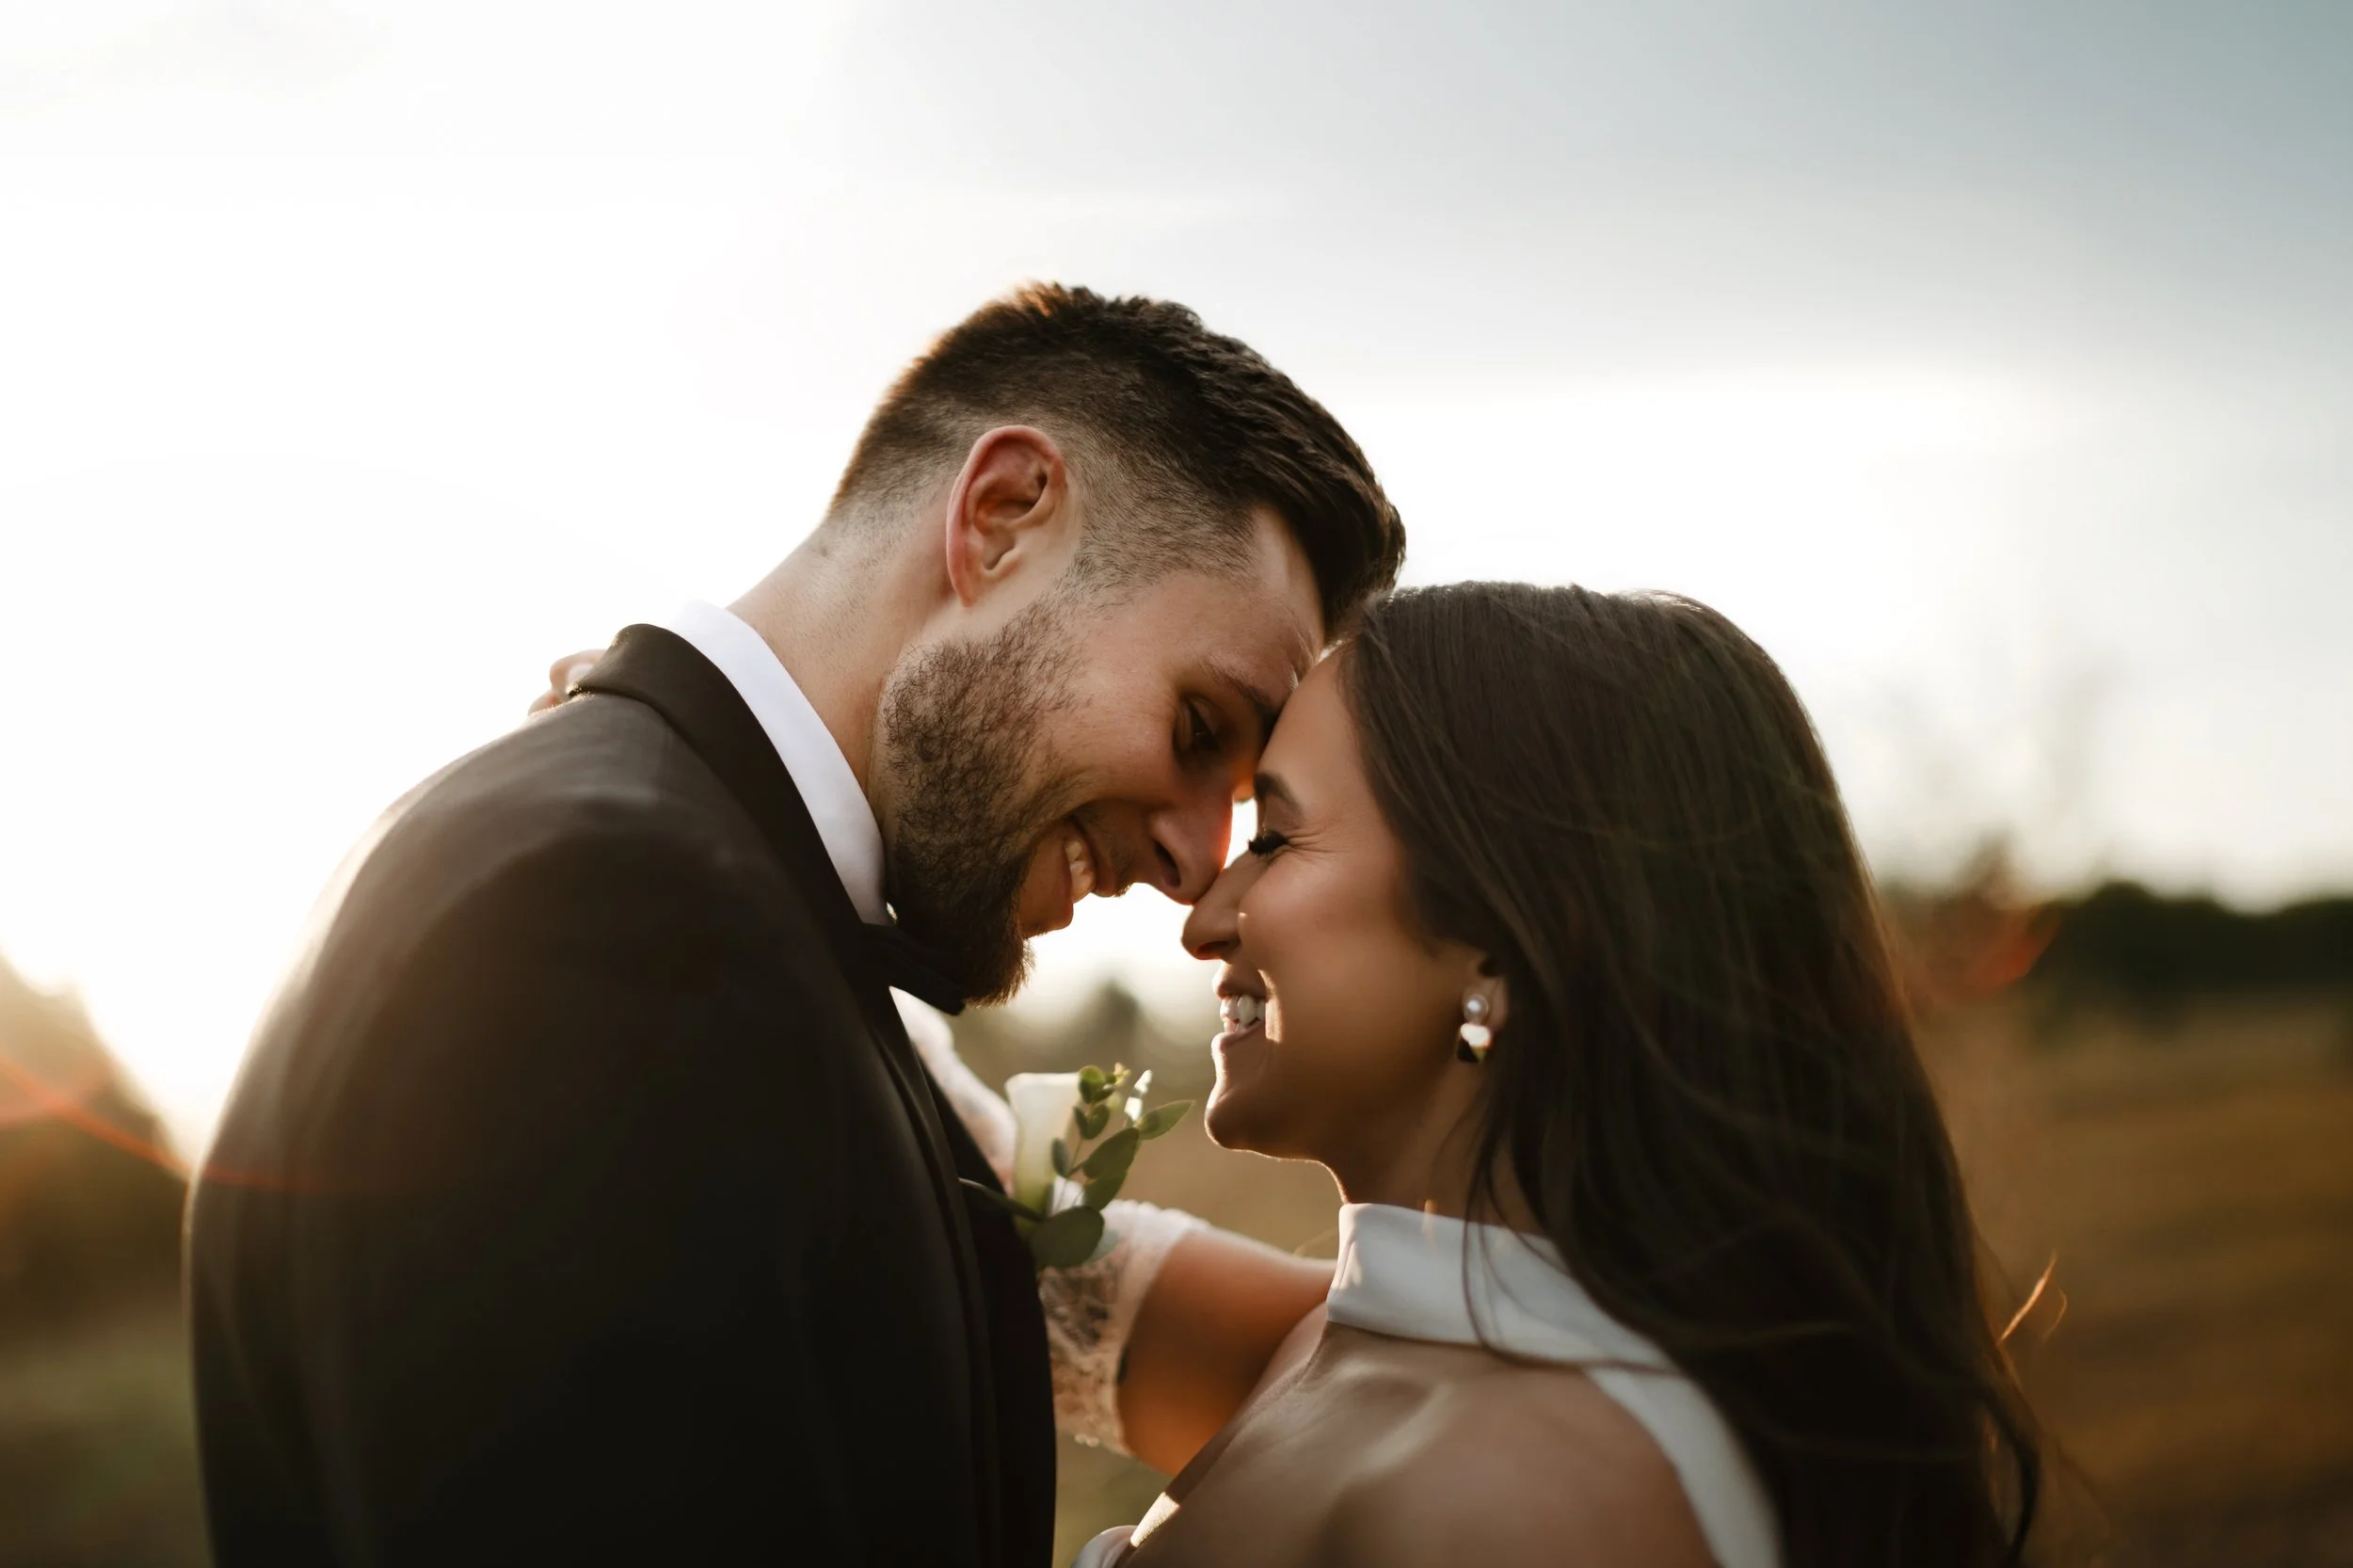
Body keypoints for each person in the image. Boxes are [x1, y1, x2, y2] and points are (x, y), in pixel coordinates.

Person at [184, 283, 1403, 1567]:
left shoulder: (688, 892)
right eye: (1201, 725)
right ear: (1000, 518)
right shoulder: (612, 924)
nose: (1194, 862)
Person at [961, 584, 2043, 1567]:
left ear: (1502, 941)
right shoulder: (1364, 1332)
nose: (1204, 918)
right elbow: (1027, 1254)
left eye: (1279, 840)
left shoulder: (1532, 1506)